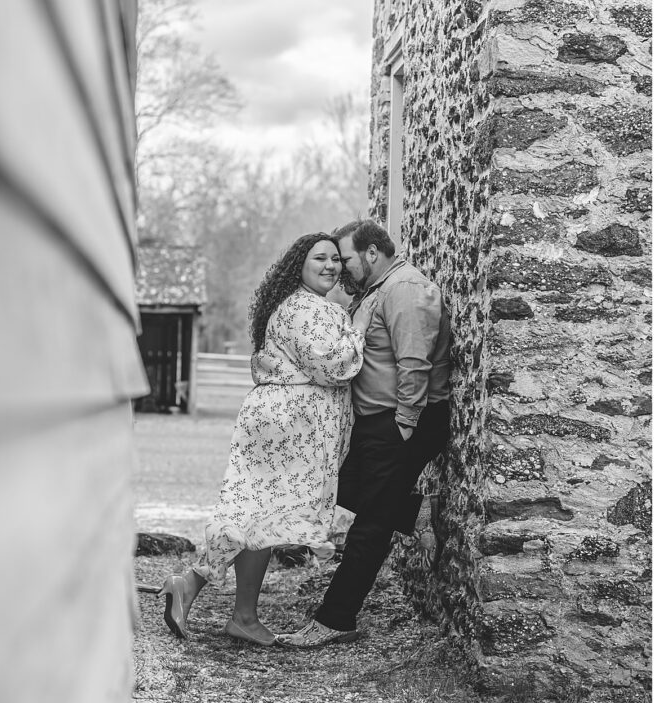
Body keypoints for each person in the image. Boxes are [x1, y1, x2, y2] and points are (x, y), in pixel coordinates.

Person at [158, 232, 376, 646]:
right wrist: (359, 327)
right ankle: (187, 584)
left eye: (336, 260)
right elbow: (333, 366)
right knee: (253, 515)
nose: (330, 266)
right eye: (320, 258)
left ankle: (242, 617)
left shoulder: (310, 306)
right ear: (299, 264)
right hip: (284, 431)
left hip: (285, 429)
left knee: (261, 519)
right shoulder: (302, 308)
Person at [276, 219, 450, 649]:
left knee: (369, 526)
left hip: (402, 420)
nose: (341, 267)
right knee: (339, 489)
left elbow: (414, 362)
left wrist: (404, 425)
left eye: (346, 258)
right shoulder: (378, 291)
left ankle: (335, 619)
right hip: (378, 423)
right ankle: (414, 513)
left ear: (372, 253)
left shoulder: (405, 289)